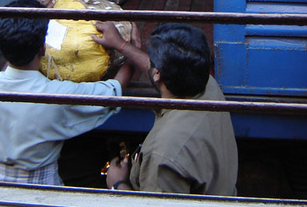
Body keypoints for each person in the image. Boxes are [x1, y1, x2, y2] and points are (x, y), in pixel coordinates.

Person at [0, 0, 134, 186]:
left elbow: (11, 63)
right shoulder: (55, 95)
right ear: (43, 48)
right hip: (40, 186)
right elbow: (115, 90)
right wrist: (128, 47)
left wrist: (27, 22)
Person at [92, 21, 238, 195]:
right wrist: (122, 45)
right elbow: (161, 71)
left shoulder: (163, 154)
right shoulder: (207, 84)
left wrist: (118, 184)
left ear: (157, 73)